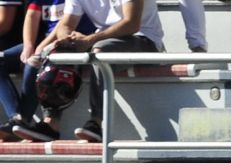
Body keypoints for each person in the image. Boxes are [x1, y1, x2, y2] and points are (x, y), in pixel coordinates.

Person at [50, 0, 164, 142]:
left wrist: (89, 40)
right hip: (104, 40)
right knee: (56, 53)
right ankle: (51, 122)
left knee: (99, 52)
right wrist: (67, 39)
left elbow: (132, 24)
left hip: (145, 40)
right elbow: (66, 24)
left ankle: (96, 123)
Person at [0, 0, 92, 141]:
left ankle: (23, 121)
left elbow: (64, 25)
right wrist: (28, 46)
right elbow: (31, 16)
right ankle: (16, 117)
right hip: (44, 43)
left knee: (34, 63)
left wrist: (41, 47)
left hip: (69, 42)